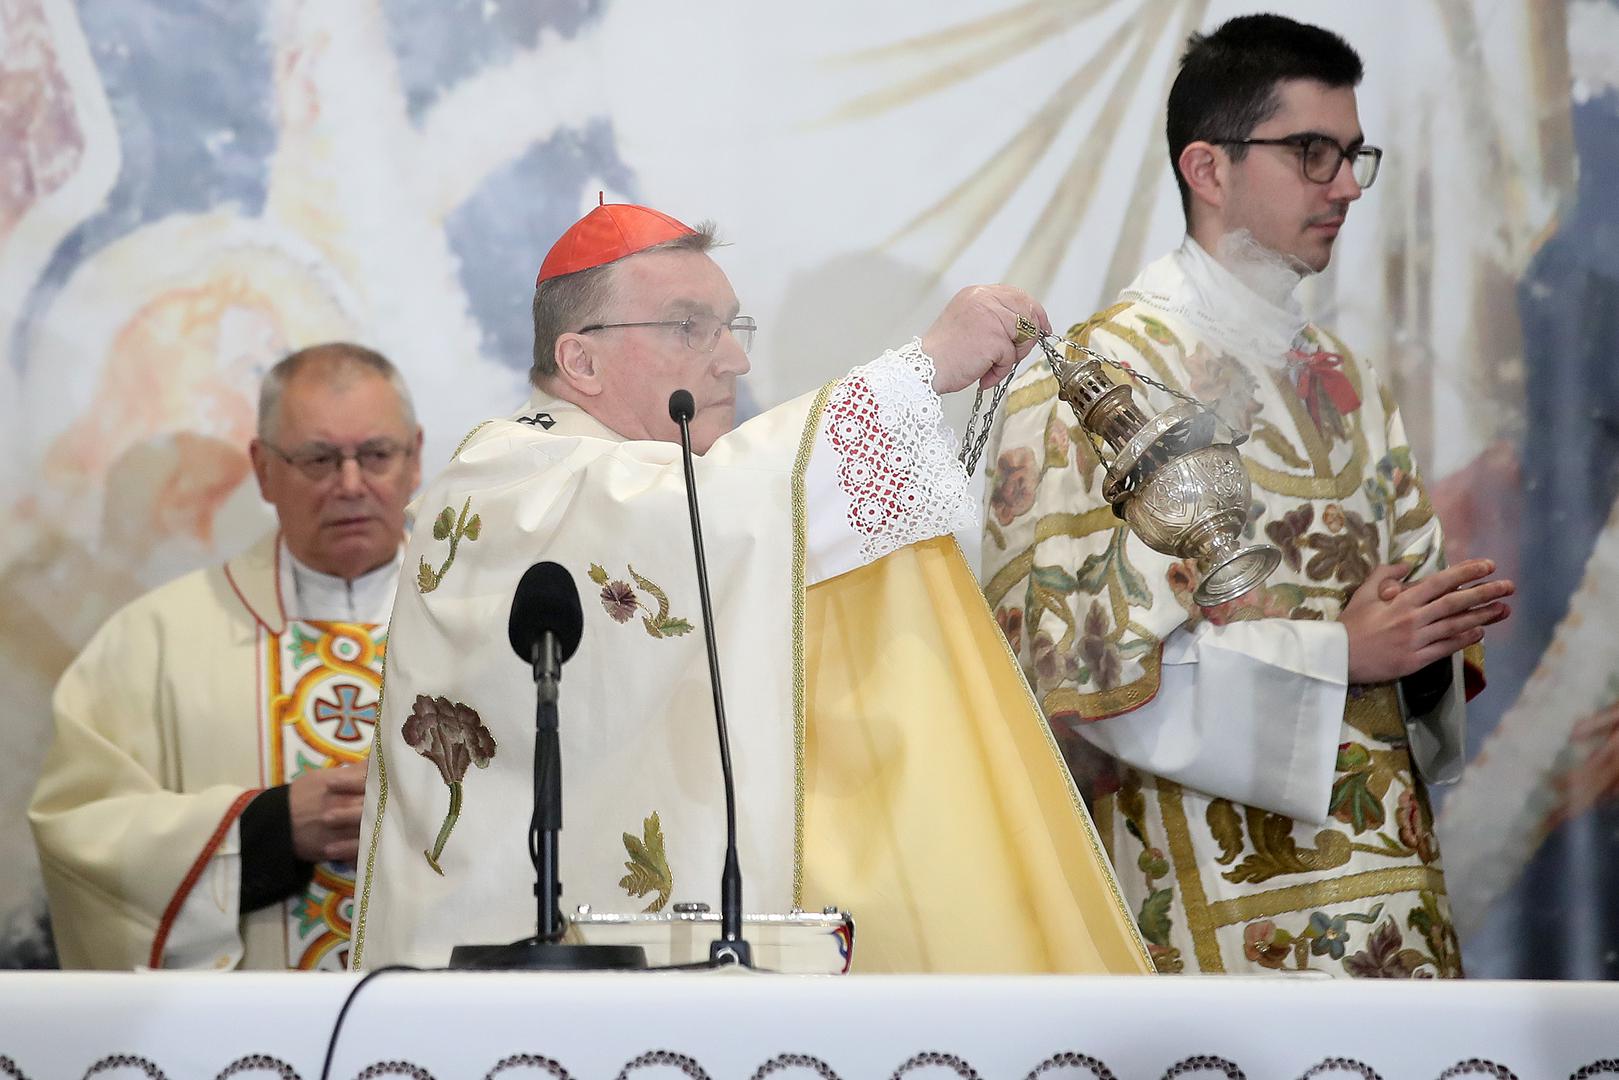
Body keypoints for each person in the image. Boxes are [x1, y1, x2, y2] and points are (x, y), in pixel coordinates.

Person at [352, 200, 1150, 974]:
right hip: (497, 975)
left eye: (731, 328)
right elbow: (706, 517)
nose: (733, 360)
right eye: (689, 328)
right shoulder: (505, 482)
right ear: (580, 361)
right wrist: (923, 367)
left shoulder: (621, 479)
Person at [980, 14, 1514, 977]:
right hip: (1207, 903)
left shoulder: (1344, 378)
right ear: (1207, 168)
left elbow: (1406, 641)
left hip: (1394, 888)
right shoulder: (1095, 380)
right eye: (1311, 153)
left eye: (1353, 155)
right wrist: (1341, 653)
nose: (1345, 186)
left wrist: (1429, 638)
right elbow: (1084, 681)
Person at [30, 343, 422, 970]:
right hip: (245, 1024)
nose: (350, 485)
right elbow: (78, 832)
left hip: (446, 1015)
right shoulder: (153, 641)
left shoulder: (485, 627)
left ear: (416, 458)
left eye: (375, 455)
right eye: (318, 459)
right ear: (263, 469)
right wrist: (266, 830)